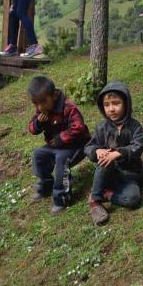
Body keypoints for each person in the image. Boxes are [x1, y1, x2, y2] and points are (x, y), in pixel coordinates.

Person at [27, 75, 91, 214]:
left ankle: (61, 197)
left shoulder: (68, 107)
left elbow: (78, 127)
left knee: (62, 159)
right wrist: (39, 122)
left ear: (54, 95)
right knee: (38, 154)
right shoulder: (41, 110)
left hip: (77, 145)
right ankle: (46, 184)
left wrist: (61, 138)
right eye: (36, 103)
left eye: (43, 102)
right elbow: (31, 129)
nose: (39, 107)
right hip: (55, 145)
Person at [85, 81, 143, 225]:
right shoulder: (102, 128)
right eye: (107, 105)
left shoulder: (135, 127)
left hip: (130, 176)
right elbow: (88, 147)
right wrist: (97, 150)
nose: (111, 109)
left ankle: (105, 194)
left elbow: (138, 146)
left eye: (116, 103)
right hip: (108, 173)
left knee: (134, 198)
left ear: (126, 103)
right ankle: (95, 202)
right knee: (105, 158)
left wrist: (119, 153)